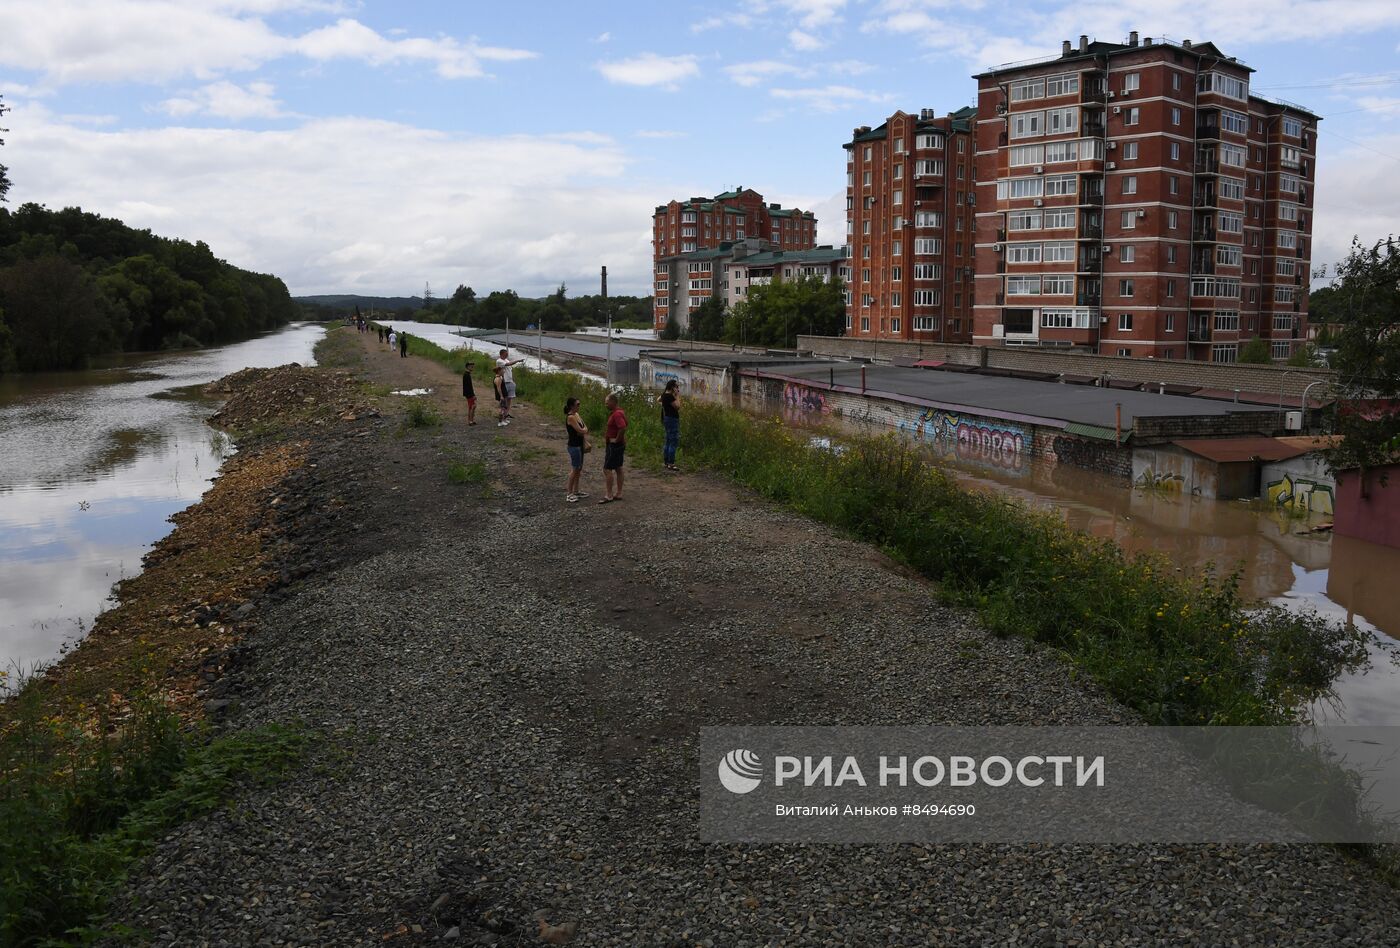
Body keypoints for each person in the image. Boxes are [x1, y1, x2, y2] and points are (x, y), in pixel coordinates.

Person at [599, 392, 627, 504]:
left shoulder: (616, 414)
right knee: (618, 467)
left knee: (607, 469)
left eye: (607, 402)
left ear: (613, 402)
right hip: (618, 445)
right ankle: (619, 493)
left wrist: (616, 440)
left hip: (614, 446)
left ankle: (609, 495)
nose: (605, 404)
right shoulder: (619, 412)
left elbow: (623, 427)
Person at [564, 397, 590, 503]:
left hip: (580, 445)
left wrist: (583, 431)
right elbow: (581, 430)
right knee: (575, 469)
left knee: (579, 469)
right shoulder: (570, 417)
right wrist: (583, 431)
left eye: (579, 404)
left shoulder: (577, 415)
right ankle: (569, 493)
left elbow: (585, 429)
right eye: (577, 404)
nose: (579, 406)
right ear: (571, 406)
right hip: (574, 446)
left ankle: (576, 490)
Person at [495, 349, 524, 420]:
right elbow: (508, 364)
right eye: (506, 354)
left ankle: (506, 414)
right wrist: (517, 361)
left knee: (510, 398)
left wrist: (513, 380)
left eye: (507, 353)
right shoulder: (499, 361)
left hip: (510, 381)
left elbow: (510, 369)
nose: (507, 355)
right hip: (504, 382)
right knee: (504, 399)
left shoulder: (506, 360)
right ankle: (501, 413)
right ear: (501, 354)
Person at [660, 379, 681, 471]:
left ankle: (666, 462)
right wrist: (677, 395)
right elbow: (677, 406)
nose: (677, 388)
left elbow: (658, 399)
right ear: (672, 387)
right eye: (676, 386)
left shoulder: (664, 395)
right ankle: (671, 463)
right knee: (673, 441)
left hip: (667, 418)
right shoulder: (670, 397)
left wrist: (664, 404)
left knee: (668, 440)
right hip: (672, 419)